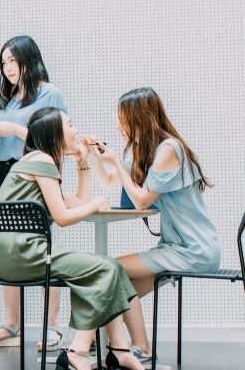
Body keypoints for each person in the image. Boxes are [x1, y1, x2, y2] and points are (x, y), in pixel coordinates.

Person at [0, 107, 145, 370]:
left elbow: (78, 201)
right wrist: (97, 203)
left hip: (8, 256)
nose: (76, 129)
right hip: (24, 253)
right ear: (55, 133)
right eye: (70, 124)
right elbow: (63, 217)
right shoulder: (43, 161)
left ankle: (119, 350)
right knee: (106, 268)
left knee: (110, 268)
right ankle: (78, 351)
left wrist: (82, 164)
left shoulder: (33, 161)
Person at [89, 87, 221, 369]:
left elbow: (141, 199)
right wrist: (95, 157)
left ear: (140, 117)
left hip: (194, 249)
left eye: (122, 118)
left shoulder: (169, 149)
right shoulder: (145, 151)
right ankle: (137, 351)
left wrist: (116, 161)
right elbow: (110, 181)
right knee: (119, 286)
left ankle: (131, 348)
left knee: (112, 268)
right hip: (175, 247)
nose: (119, 125)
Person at [0, 35, 66, 351]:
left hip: (36, 172)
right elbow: (5, 146)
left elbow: (55, 140)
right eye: (3, 62)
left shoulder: (50, 93)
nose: (8, 67)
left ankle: (52, 326)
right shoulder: (8, 98)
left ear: (29, 59)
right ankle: (11, 324)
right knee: (6, 244)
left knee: (41, 244)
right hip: (5, 172)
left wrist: (16, 129)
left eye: (13, 60)